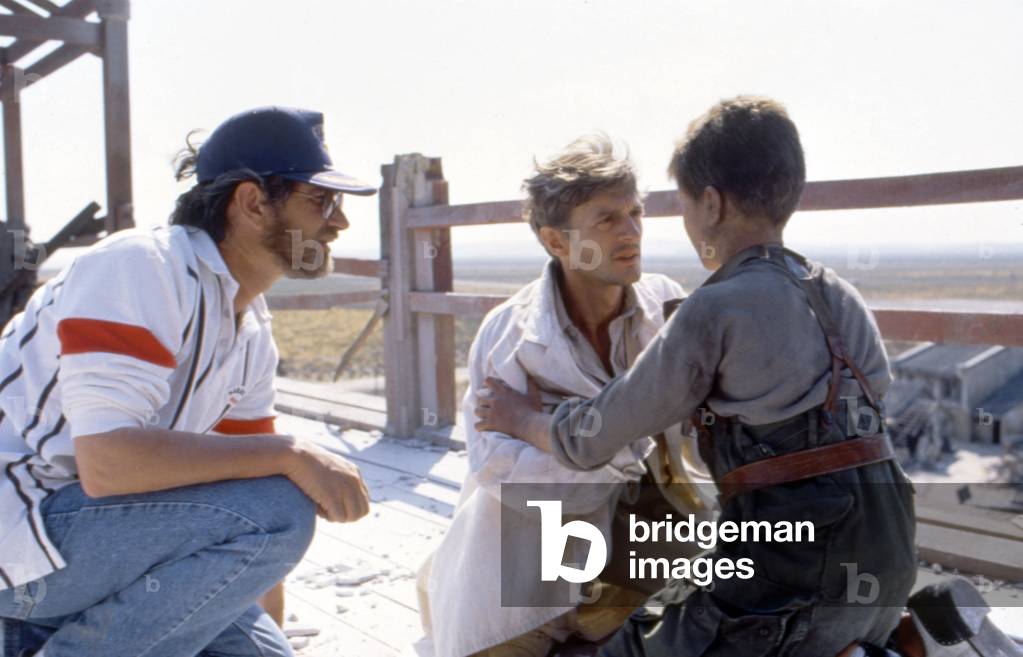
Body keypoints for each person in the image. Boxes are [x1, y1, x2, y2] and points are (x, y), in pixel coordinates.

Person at [474, 96, 919, 656]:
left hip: (789, 576)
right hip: (892, 556)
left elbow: (589, 438)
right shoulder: (839, 292)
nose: (647, 228)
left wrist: (522, 417)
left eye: (673, 206)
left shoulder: (712, 308)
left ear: (710, 204)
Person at [0, 106, 373, 657]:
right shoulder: (142, 265)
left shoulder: (250, 328)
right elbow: (110, 465)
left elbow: (250, 501)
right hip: (24, 547)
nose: (338, 222)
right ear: (250, 202)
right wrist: (292, 452)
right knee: (280, 504)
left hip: (92, 546)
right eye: (320, 201)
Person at [417, 134, 713, 657]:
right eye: (607, 220)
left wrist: (544, 429)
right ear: (556, 242)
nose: (631, 233)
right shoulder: (509, 334)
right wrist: (619, 447)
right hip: (531, 558)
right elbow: (504, 473)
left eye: (635, 213)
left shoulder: (668, 305)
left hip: (649, 547)